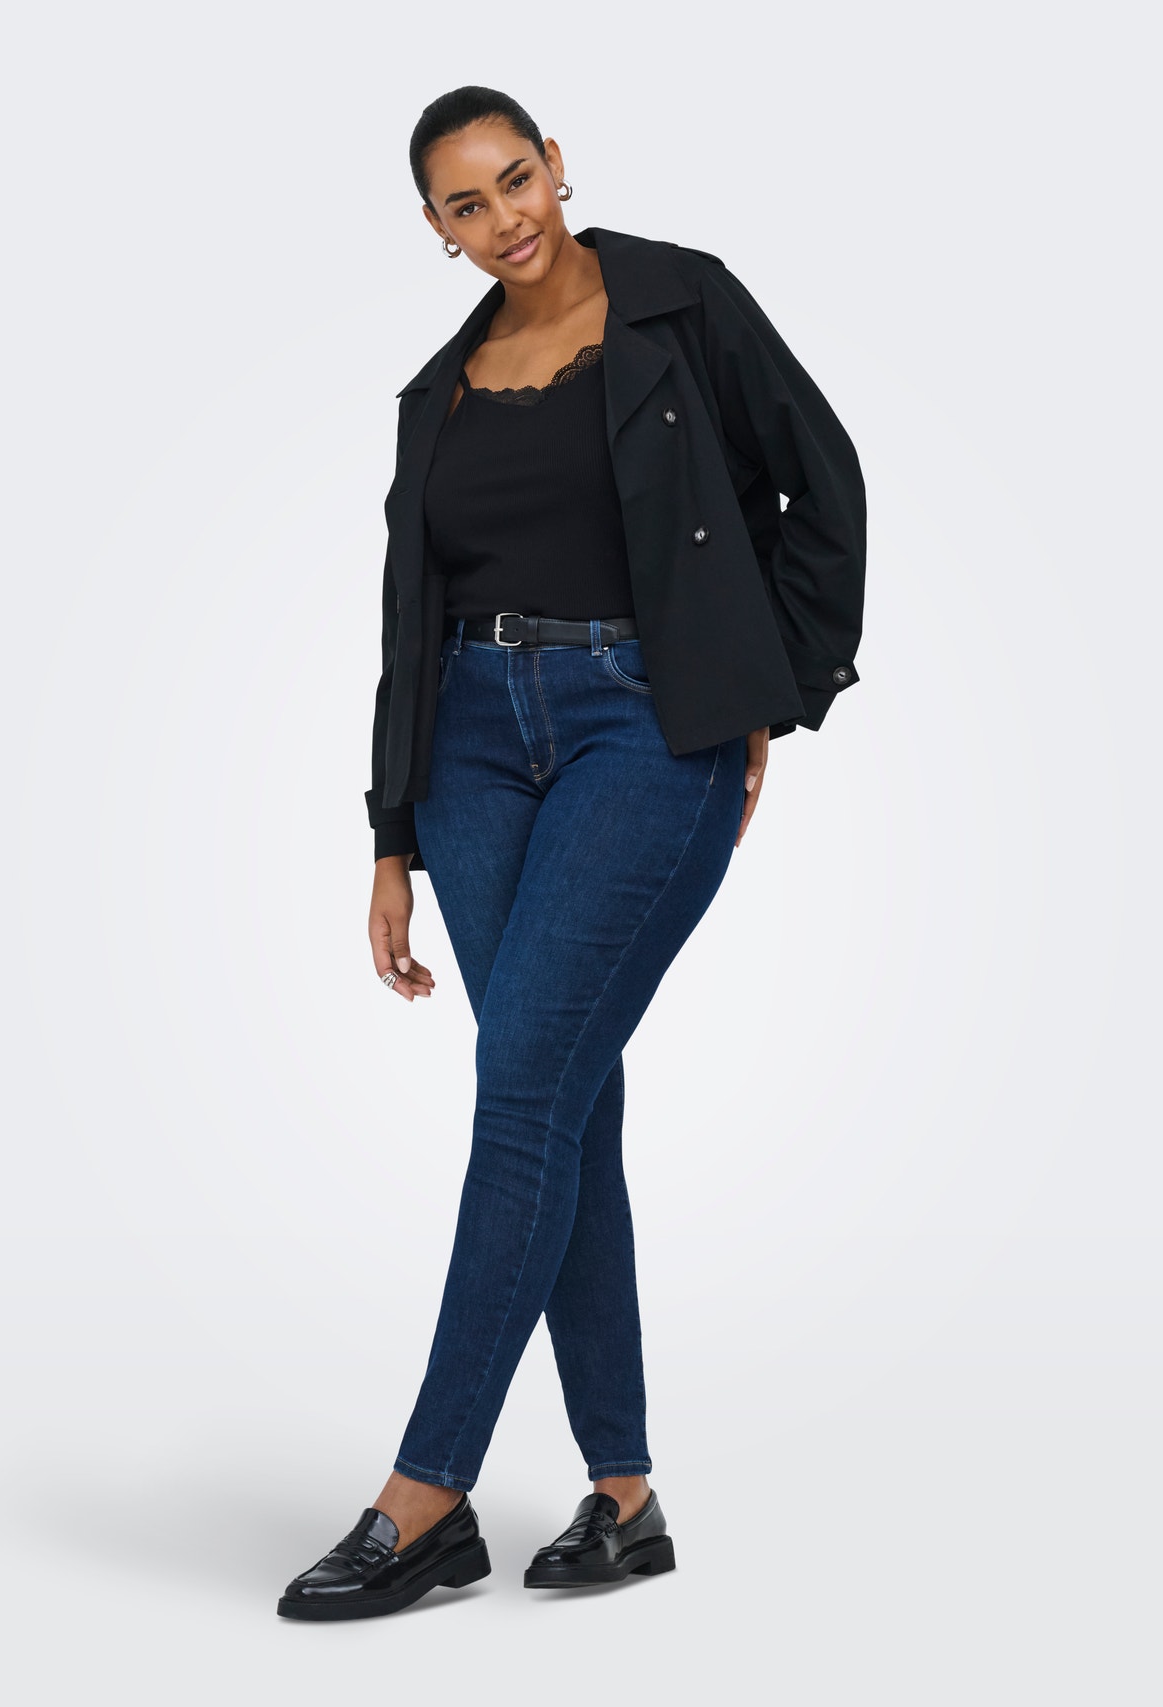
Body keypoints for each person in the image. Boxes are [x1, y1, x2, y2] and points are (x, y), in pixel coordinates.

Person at [277, 84, 866, 1622]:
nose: (504, 219)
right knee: (562, 1099)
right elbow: (409, 623)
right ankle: (625, 1498)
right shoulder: (441, 389)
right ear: (436, 230)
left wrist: (767, 688)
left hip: (640, 727)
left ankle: (425, 1496)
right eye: (465, 205)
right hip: (472, 747)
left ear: (557, 166)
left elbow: (823, 481)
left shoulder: (679, 301)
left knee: (526, 1090)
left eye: (515, 179)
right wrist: (390, 836)